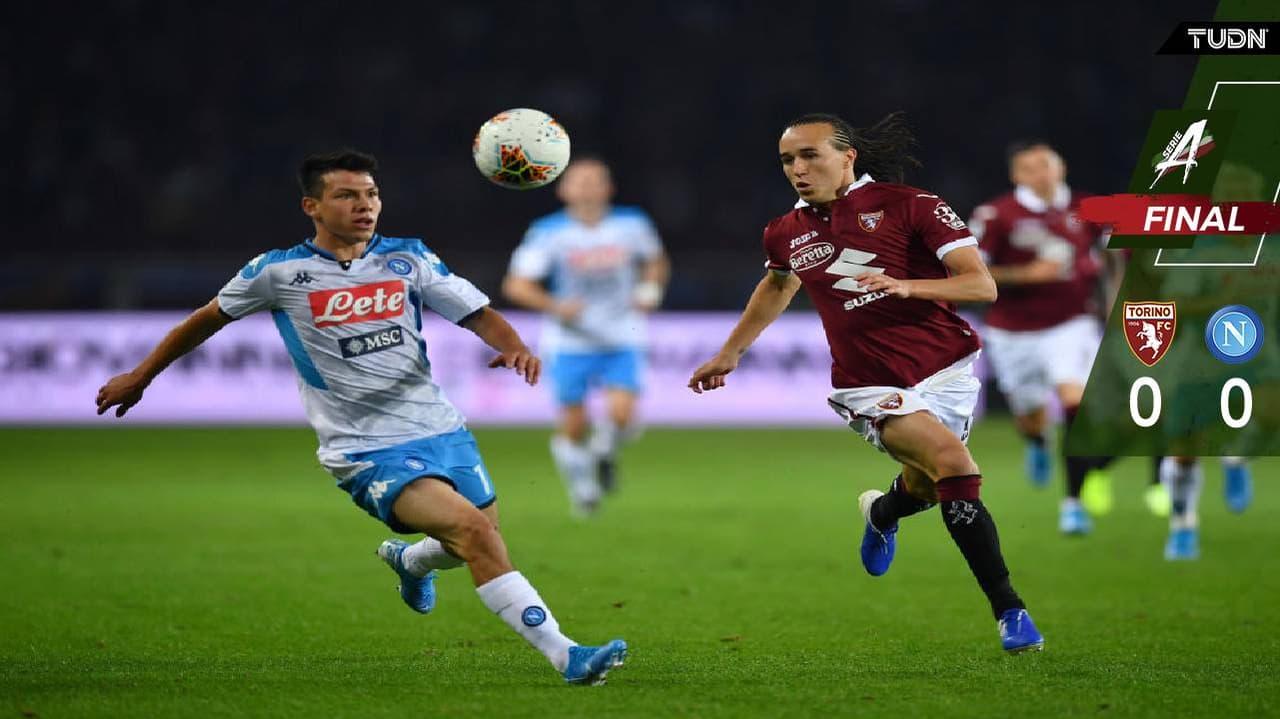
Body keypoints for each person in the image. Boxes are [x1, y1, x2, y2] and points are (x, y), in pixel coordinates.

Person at [94, 149, 627, 686]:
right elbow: (206, 319)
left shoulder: (407, 257)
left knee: (478, 536)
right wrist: (141, 375)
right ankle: (568, 656)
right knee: (473, 533)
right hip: (364, 447)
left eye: (371, 194)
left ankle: (411, 562)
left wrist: (513, 346)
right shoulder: (278, 272)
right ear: (312, 206)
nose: (364, 205)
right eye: (346, 195)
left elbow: (478, 314)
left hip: (441, 427)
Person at [687, 113, 1043, 654]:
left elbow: (980, 285)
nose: (798, 169)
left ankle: (882, 512)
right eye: (788, 160)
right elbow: (777, 284)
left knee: (927, 487)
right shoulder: (785, 231)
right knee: (955, 465)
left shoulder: (912, 205)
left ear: (848, 156)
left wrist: (906, 286)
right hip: (867, 382)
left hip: (946, 370)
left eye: (810, 155)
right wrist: (730, 352)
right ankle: (1010, 610)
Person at [502, 157, 669, 514]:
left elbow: (655, 261)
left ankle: (603, 452)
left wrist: (650, 289)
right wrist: (555, 305)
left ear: (609, 188)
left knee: (623, 417)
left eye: (595, 180)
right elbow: (516, 285)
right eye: (580, 181)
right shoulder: (548, 232)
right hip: (570, 340)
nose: (588, 188)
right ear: (564, 190)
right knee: (574, 425)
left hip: (622, 333)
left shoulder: (632, 224)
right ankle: (583, 489)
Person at [967, 141, 1116, 535]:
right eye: (1031, 168)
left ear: (1061, 167)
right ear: (1016, 175)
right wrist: (1027, 275)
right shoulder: (995, 215)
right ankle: (1037, 442)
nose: (1041, 174)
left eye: (1047, 165)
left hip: (1072, 323)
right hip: (1012, 332)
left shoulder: (1089, 209)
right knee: (1031, 418)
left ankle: (1073, 503)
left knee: (1075, 404)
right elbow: (968, 273)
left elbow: (1116, 256)